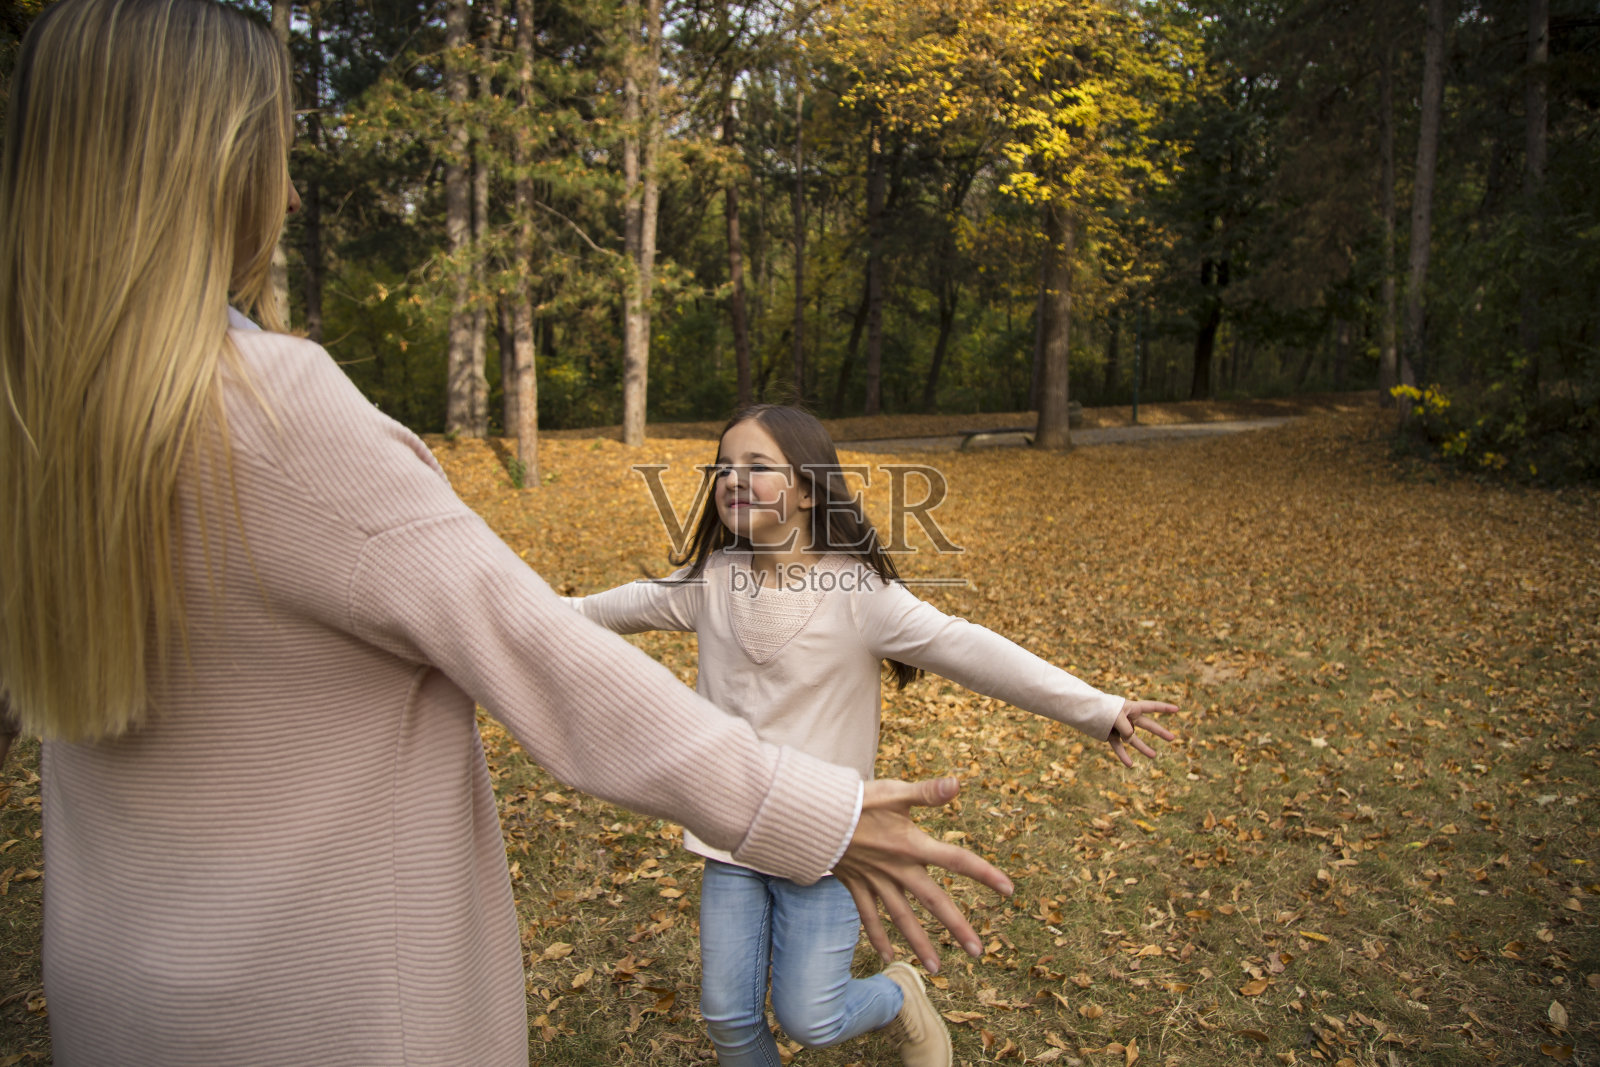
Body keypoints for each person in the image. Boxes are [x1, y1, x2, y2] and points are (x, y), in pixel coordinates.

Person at [0, 2, 1015, 1063]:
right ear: (205, 168)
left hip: (116, 996)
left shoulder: (36, 413)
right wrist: (813, 813)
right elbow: (541, 649)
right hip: (332, 1007)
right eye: (275, 155)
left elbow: (935, 634)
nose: (291, 192)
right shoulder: (274, 414)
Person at [565, 404, 1178, 1066]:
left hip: (832, 838)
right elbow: (600, 610)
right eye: (724, 466)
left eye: (757, 466)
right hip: (732, 834)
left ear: (805, 488)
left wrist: (1097, 707)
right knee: (729, 1014)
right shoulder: (710, 582)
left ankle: (898, 994)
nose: (733, 479)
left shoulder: (857, 593)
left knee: (812, 1016)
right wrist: (493, 613)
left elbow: (967, 647)